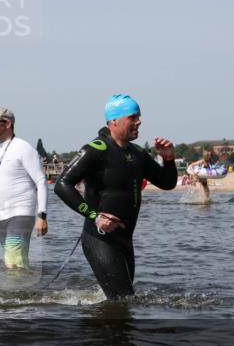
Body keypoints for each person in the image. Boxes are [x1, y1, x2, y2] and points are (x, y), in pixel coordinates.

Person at [54, 94, 177, 298]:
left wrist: (169, 159)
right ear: (114, 121)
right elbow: (61, 185)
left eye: (139, 116)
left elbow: (167, 183)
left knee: (123, 301)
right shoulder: (96, 149)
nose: (139, 121)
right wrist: (95, 216)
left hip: (125, 240)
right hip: (99, 238)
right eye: (132, 117)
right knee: (123, 300)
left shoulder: (137, 153)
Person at [0, 107, 48, 269]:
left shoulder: (23, 148)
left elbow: (41, 181)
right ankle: (29, 285)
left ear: (8, 124)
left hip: (21, 212)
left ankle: (18, 286)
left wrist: (42, 215)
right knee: (15, 262)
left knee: (13, 262)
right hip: (2, 216)